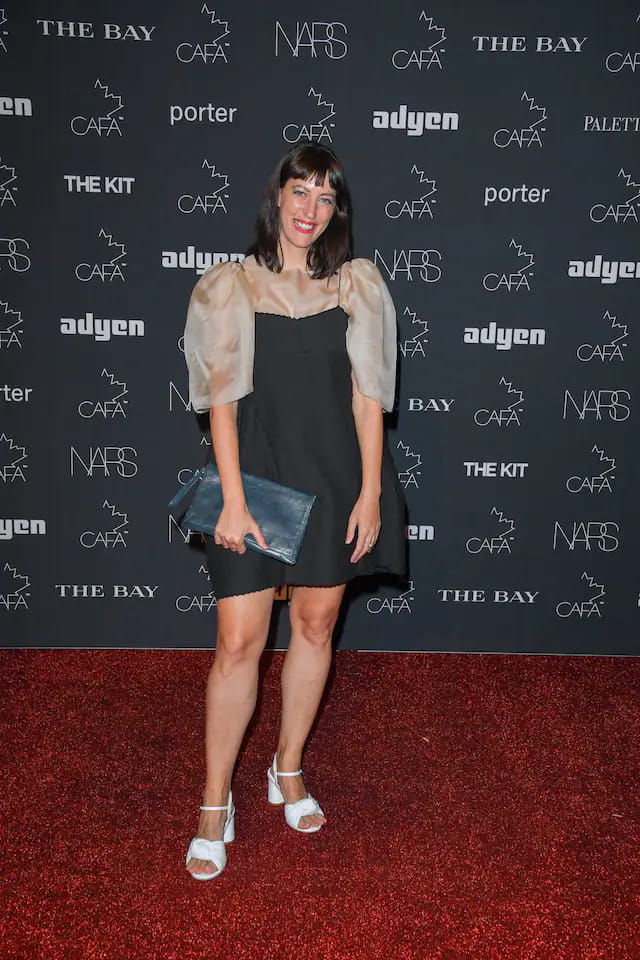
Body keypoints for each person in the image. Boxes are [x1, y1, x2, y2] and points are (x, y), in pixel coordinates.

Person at [182, 141, 406, 880]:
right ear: (276, 197)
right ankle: (215, 802)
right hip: (256, 481)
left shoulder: (358, 287)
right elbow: (221, 401)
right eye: (299, 192)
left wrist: (371, 492)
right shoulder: (231, 285)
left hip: (338, 480)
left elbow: (368, 399)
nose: (310, 209)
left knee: (314, 626)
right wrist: (234, 499)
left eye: (325, 197)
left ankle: (289, 767)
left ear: (336, 210)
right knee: (238, 643)